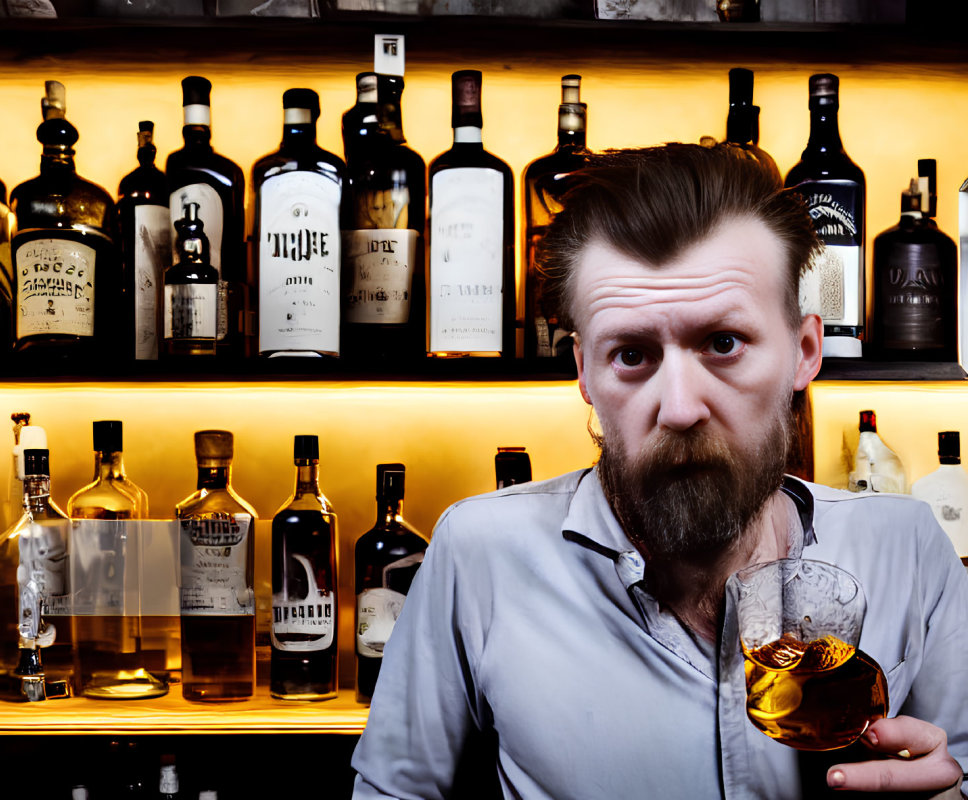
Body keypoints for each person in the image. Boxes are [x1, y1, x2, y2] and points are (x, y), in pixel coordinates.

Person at [350, 144, 968, 799]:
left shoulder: (908, 549)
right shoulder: (479, 555)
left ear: (805, 352)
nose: (679, 408)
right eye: (633, 354)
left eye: (723, 343)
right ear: (584, 372)